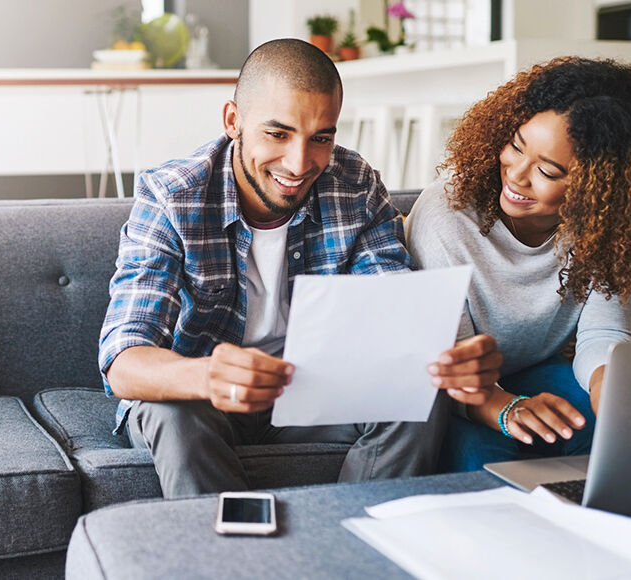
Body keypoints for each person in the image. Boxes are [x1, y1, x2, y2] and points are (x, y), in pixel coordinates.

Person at [98, 38, 502, 498]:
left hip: (310, 393)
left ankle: (353, 550)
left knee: (421, 395)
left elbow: (391, 304)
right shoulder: (172, 196)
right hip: (202, 397)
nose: (299, 163)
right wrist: (208, 375)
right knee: (170, 413)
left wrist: (449, 355)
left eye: (321, 138)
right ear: (234, 121)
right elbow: (123, 359)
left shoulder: (354, 186)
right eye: (278, 133)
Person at [405, 56, 631, 472]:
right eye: (515, 146)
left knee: (610, 435)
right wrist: (507, 409)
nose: (517, 175)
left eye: (548, 170)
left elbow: (603, 332)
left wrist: (610, 387)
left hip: (537, 370)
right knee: (480, 461)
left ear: (601, 187)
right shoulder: (447, 215)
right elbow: (450, 363)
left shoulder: (608, 227)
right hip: (458, 391)